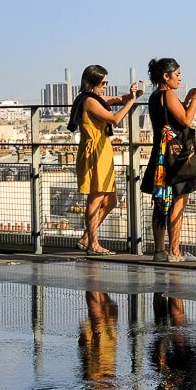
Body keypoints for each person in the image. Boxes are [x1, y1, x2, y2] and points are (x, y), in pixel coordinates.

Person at [140, 58, 196, 262]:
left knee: (161, 201)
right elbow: (186, 120)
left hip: (160, 153)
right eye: (177, 74)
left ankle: (160, 251)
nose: (180, 78)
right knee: (179, 201)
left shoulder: (154, 96)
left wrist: (186, 101)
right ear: (166, 76)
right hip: (177, 157)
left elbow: (172, 119)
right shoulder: (168, 94)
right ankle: (175, 251)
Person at [69, 64, 143, 255]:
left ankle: (87, 238)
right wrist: (131, 102)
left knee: (110, 201)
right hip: (95, 152)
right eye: (103, 83)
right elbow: (115, 119)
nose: (105, 86)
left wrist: (133, 94)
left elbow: (117, 99)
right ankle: (93, 243)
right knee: (96, 197)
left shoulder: (94, 98)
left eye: (106, 83)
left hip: (102, 151)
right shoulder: (89, 101)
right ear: (91, 83)